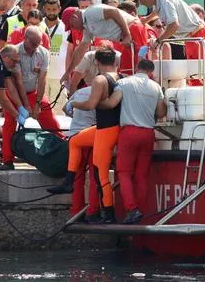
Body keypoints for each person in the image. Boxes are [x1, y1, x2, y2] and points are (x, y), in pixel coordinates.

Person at [48, 48, 122, 224]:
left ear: (96, 63)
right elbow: (110, 103)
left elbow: (86, 106)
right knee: (97, 177)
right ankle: (93, 212)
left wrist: (74, 103)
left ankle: (74, 200)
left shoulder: (93, 85)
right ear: (115, 62)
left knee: (92, 175)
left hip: (94, 133)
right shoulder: (120, 81)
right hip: (100, 133)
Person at [98, 59, 166, 224]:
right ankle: (140, 213)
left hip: (129, 133)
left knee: (124, 172)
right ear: (151, 72)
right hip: (149, 133)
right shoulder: (156, 87)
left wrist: (95, 102)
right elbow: (161, 112)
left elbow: (112, 103)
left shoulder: (124, 83)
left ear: (136, 68)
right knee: (142, 176)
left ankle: (131, 209)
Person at [1, 27, 63, 168]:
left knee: (51, 121)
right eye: (33, 43)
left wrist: (38, 103)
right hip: (15, 94)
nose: (36, 47)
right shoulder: (14, 52)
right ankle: (7, 159)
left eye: (38, 43)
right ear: (25, 39)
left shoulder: (44, 53)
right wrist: (25, 106)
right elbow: (19, 81)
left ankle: (64, 149)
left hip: (34, 92)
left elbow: (42, 79)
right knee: (9, 124)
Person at [134, 0, 205, 60]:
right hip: (192, 35)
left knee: (203, 69)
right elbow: (158, 10)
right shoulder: (161, 0)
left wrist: (158, 42)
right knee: (194, 70)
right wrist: (147, 18)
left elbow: (174, 25)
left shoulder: (165, 1)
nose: (140, 3)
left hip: (198, 34)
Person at [60, 4, 134, 85]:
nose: (74, 29)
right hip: (128, 38)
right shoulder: (87, 27)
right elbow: (80, 51)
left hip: (133, 29)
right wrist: (68, 72)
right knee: (130, 73)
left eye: (72, 25)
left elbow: (114, 12)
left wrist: (127, 34)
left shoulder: (91, 12)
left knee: (134, 73)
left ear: (75, 17)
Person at [63, 86, 99, 222]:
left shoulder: (79, 92)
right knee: (95, 177)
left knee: (77, 178)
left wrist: (77, 117)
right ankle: (92, 212)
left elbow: (65, 109)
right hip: (92, 138)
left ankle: (76, 212)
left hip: (74, 136)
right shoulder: (101, 92)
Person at [42, 0, 68, 111]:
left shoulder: (66, 27)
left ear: (59, 9)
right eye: (48, 9)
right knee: (41, 108)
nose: (51, 12)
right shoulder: (38, 25)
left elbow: (70, 51)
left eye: (54, 9)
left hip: (60, 75)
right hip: (41, 75)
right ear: (44, 9)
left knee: (58, 109)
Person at [116, 0, 151, 75]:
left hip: (132, 70)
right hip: (129, 69)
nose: (119, 19)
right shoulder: (134, 25)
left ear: (132, 14)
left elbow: (142, 49)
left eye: (122, 16)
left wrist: (139, 72)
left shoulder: (135, 26)